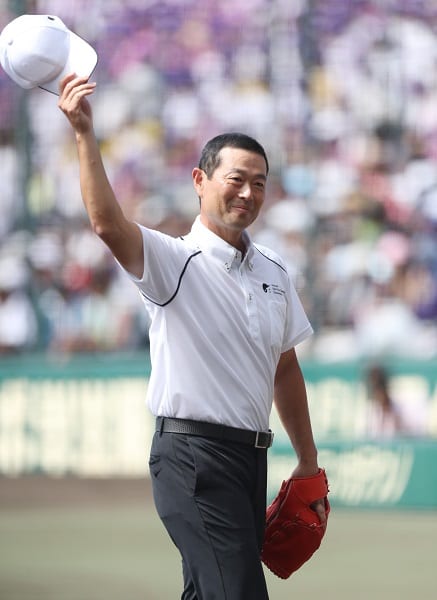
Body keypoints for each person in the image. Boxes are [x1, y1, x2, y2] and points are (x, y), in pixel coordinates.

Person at [58, 73, 327, 600]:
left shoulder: (274, 271)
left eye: (259, 182)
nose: (248, 192)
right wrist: (85, 135)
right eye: (236, 179)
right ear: (200, 180)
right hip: (191, 456)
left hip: (251, 459)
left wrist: (308, 461)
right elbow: (108, 225)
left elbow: (285, 366)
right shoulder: (173, 259)